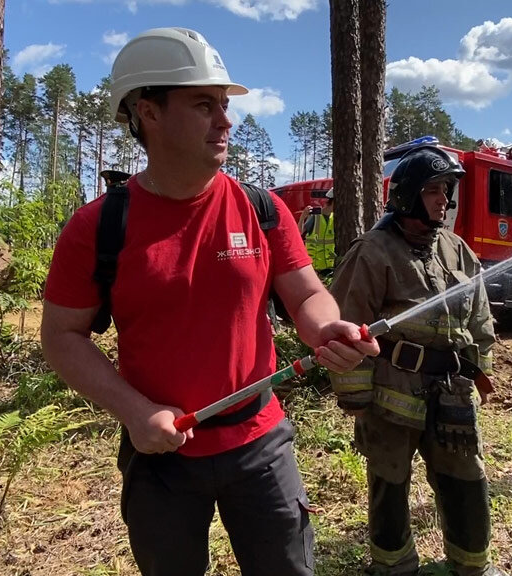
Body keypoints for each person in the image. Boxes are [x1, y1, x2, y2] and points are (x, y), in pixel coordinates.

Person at [40, 27, 379, 576]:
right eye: (204, 105)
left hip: (261, 445)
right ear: (147, 112)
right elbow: (61, 337)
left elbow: (307, 292)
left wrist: (323, 329)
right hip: (161, 461)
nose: (225, 120)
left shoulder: (260, 208)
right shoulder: (98, 227)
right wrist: (134, 412)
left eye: (224, 105)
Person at [328, 145, 504, 576]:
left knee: (466, 479)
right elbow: (346, 325)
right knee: (389, 485)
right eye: (433, 190)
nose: (443, 199)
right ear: (406, 195)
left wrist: (481, 373)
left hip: (452, 396)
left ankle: (472, 567)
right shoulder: (372, 251)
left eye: (446, 190)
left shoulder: (457, 250)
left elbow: (480, 319)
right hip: (391, 396)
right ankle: (394, 568)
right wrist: (356, 398)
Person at [298, 188, 336, 274]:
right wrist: (303, 217)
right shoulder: (315, 217)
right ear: (333, 201)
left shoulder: (334, 218)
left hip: (330, 269)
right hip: (314, 269)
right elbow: (299, 234)